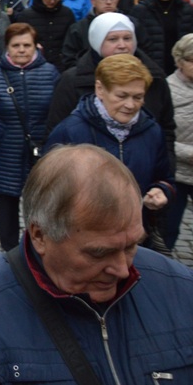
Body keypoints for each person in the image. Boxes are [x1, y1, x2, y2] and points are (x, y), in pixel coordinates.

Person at [0, 144, 193, 384]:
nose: (123, 270)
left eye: (132, 245)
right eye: (99, 253)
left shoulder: (181, 288)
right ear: (40, 235)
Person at [45, 55, 173, 245]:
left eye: (138, 97)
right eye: (121, 96)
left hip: (133, 239)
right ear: (100, 90)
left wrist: (160, 190)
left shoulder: (152, 132)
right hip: (82, 238)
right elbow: (47, 188)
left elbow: (164, 177)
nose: (130, 105)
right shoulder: (70, 131)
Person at [0, 23, 60, 251]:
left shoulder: (50, 74)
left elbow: (59, 116)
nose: (21, 50)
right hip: (5, 153)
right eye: (16, 45)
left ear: (36, 46)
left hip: (41, 154)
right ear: (7, 47)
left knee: (40, 208)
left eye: (26, 45)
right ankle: (9, 254)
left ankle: (38, 252)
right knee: (7, 209)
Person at [45, 13, 176, 149]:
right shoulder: (73, 80)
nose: (122, 45)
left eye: (127, 38)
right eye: (113, 39)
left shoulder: (155, 76)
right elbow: (57, 133)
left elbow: (166, 128)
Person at [129, 0, 193, 76]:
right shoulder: (141, 10)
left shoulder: (186, 9)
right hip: (151, 68)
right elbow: (136, 42)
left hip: (181, 69)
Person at [12, 0, 75, 72]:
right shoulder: (27, 15)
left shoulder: (67, 14)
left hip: (61, 66)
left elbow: (71, 43)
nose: (52, 1)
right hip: (34, 67)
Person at [165, 33, 193, 250]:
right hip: (178, 173)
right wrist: (188, 153)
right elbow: (163, 135)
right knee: (169, 229)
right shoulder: (168, 89)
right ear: (180, 61)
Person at [61, 0, 120, 69]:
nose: (108, 2)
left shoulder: (131, 24)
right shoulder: (78, 28)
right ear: (93, 1)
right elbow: (69, 59)